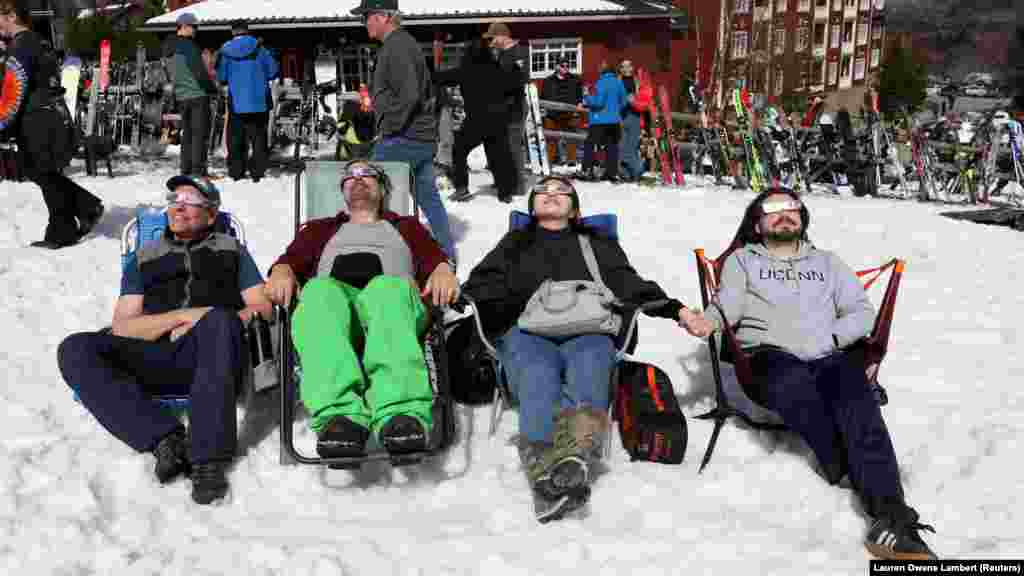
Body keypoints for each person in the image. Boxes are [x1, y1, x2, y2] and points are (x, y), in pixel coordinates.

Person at [678, 189, 937, 560]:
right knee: (792, 383)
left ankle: (892, 518)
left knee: (859, 403)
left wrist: (832, 338)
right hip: (769, 356)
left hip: (830, 353)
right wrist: (709, 321)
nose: (784, 214)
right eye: (772, 210)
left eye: (792, 208)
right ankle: (845, 464)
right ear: (757, 222)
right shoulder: (742, 261)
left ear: (803, 218)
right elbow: (729, 304)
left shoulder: (830, 263)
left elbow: (860, 312)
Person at [461, 175, 703, 521]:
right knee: (536, 374)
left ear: (574, 209)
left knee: (589, 369)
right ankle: (558, 465)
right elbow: (482, 282)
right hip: (526, 329)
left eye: (562, 192)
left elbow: (629, 284)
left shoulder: (596, 243)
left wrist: (676, 310)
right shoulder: (514, 242)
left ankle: (558, 467)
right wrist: (460, 295)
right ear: (531, 207)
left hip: (590, 327)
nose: (552, 195)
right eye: (543, 191)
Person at [57, 175, 272, 505]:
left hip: (216, 352)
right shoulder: (143, 258)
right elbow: (124, 326)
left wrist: (215, 320)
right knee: (74, 348)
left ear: (211, 214)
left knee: (219, 321)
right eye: (174, 200)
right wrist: (181, 318)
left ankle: (208, 461)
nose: (178, 207)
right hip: (155, 353)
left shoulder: (233, 252)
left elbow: (262, 307)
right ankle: (165, 439)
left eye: (190, 201)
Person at [264, 160, 459, 458]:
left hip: (395, 309)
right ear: (342, 190)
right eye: (350, 176)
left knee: (387, 288)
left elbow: (434, 258)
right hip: (338, 315)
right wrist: (282, 271)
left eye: (368, 175)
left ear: (382, 189)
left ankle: (401, 415)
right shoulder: (320, 229)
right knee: (317, 292)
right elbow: (290, 261)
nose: (358, 179)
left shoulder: (407, 227)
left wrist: (443, 269)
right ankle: (340, 419)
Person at [351, 0, 455, 263]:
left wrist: (390, 128)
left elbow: (409, 95)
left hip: (404, 137)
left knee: (364, 188)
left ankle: (369, 253)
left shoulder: (397, 47)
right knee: (428, 198)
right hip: (418, 136)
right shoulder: (400, 45)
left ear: (384, 16)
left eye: (367, 16)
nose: (364, 22)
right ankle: (445, 254)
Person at [0, 0, 104, 249]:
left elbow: (15, 88)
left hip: (36, 117)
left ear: (11, 15)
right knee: (42, 171)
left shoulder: (21, 46)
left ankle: (68, 224)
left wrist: (2, 122)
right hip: (51, 113)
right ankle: (80, 212)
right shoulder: (40, 41)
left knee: (41, 171)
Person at [434, 37, 518, 203]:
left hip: (476, 121)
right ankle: (505, 192)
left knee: (459, 150)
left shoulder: (466, 70)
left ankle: (462, 188)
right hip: (498, 120)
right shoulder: (498, 69)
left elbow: (440, 78)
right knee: (500, 155)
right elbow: (512, 88)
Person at [216, 19, 278, 182]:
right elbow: (272, 71)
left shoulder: (226, 51)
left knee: (235, 136)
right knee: (258, 137)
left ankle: (237, 171)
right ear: (247, 30)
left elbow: (222, 77)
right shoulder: (260, 49)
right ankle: (258, 172)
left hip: (236, 100)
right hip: (259, 101)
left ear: (232, 32)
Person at [483, 21, 530, 196]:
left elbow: (519, 79)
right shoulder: (501, 54)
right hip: (502, 107)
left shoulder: (519, 52)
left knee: (513, 146)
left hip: (515, 107)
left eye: (493, 38)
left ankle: (518, 185)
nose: (491, 41)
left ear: (502, 36)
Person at [171, 12, 219, 177]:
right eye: (193, 26)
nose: (195, 30)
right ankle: (198, 171)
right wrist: (212, 89)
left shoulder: (169, 46)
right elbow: (199, 73)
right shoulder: (189, 46)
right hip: (197, 95)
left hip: (181, 95)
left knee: (187, 135)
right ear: (183, 26)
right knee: (199, 135)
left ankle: (186, 169)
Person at [577, 61, 627, 182]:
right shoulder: (619, 82)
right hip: (614, 121)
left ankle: (587, 169)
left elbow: (598, 102)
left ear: (602, 71)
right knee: (612, 146)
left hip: (600, 120)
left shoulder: (601, 83)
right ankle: (612, 172)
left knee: (590, 144)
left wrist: (587, 96)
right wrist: (615, 111)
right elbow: (624, 102)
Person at [539, 55, 582, 167]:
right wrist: (544, 110)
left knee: (571, 139)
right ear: (557, 66)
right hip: (552, 115)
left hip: (569, 114)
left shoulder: (575, 80)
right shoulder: (548, 81)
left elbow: (579, 97)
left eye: (568, 66)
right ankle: (549, 161)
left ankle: (571, 161)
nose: (565, 68)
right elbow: (543, 96)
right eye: (563, 65)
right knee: (551, 139)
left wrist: (578, 107)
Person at [617, 60, 647, 182]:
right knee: (622, 145)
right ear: (620, 69)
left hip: (635, 115)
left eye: (629, 66)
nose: (626, 68)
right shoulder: (617, 82)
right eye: (623, 66)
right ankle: (626, 173)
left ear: (632, 68)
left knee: (633, 146)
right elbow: (614, 100)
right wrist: (625, 101)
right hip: (621, 116)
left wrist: (634, 100)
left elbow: (644, 99)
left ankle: (636, 171)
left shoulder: (638, 82)